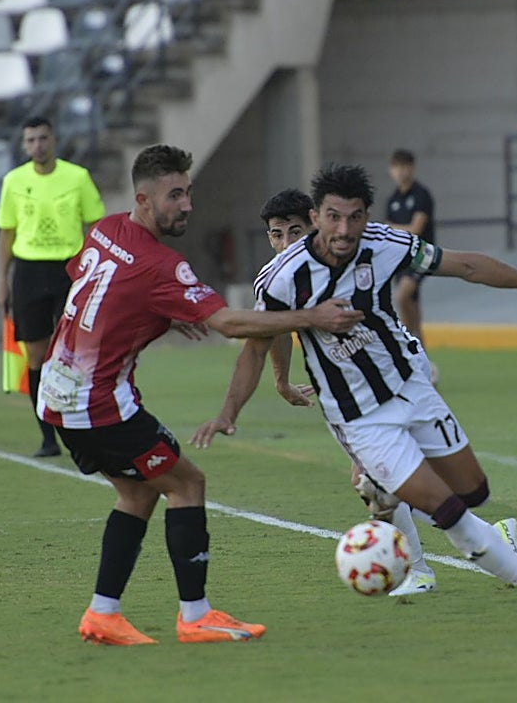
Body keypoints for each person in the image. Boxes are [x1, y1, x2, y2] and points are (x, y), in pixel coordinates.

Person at [195, 163, 517, 635]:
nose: (344, 230)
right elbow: (257, 347)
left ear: (366, 217)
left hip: (411, 387)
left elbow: (465, 265)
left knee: (473, 493)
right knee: (450, 515)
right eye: (334, 217)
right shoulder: (283, 278)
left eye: (355, 217)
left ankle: (468, 524)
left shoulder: (385, 244)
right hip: (360, 418)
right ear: (318, 215)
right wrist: (229, 411)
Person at [37, 146, 364, 647]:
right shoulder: (163, 267)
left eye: (188, 192)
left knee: (138, 491)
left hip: (56, 394)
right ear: (143, 199)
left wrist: (161, 313)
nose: (187, 204)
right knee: (187, 483)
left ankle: (103, 613)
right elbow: (230, 324)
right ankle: (196, 616)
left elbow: (85, 279)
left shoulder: (104, 229)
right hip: (99, 402)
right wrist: (311, 317)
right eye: (174, 195)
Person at [192, 188, 441, 597]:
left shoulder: (343, 258)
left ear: (313, 223)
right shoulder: (278, 277)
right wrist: (281, 381)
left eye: (294, 231)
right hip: (363, 384)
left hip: (389, 375)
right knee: (384, 480)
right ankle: (486, 538)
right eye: (276, 234)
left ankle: (420, 570)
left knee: (373, 479)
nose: (285, 242)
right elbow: (270, 332)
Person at [0, 116, 105, 458]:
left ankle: (86, 430)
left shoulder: (77, 177)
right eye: (31, 140)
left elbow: (97, 224)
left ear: (53, 140)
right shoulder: (14, 181)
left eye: (43, 138)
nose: (37, 145)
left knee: (80, 350)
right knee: (37, 354)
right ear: (24, 145)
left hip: (69, 268)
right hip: (28, 270)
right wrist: (2, 279)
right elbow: (7, 232)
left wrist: (98, 271)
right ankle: (47, 436)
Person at [386, 149, 436, 365]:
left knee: (401, 297)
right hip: (401, 257)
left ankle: (407, 345)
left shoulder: (421, 195)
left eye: (404, 166)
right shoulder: (393, 199)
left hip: (422, 254)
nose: (400, 172)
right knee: (412, 306)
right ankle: (422, 358)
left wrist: (390, 228)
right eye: (396, 167)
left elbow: (416, 229)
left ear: (412, 168)